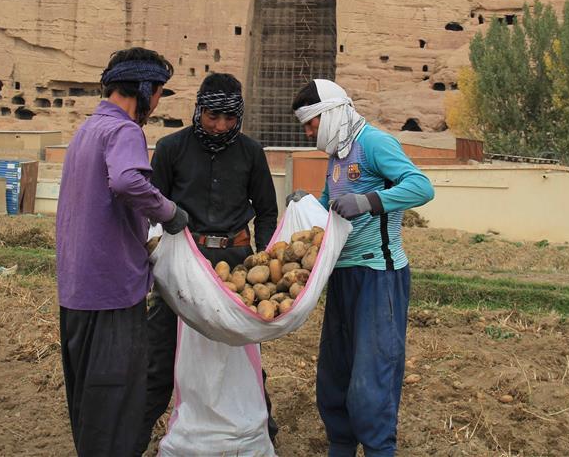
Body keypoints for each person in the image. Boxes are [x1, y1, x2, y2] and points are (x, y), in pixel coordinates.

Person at [288, 79, 434, 457]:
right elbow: (329, 204)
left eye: (311, 124)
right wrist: (306, 204)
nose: (308, 133)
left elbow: (421, 187)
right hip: (341, 274)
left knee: (372, 381)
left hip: (378, 274)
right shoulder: (337, 154)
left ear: (330, 114)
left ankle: (379, 448)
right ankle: (340, 445)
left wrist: (369, 201)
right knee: (335, 376)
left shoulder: (374, 143)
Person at [56, 47, 189, 456]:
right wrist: (168, 212)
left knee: (91, 407)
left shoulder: (87, 130)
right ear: (145, 90)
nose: (157, 103)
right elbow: (128, 181)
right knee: (116, 410)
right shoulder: (123, 131)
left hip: (77, 292)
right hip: (111, 291)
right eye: (159, 93)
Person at [142, 72, 280, 447]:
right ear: (199, 110)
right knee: (160, 354)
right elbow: (151, 209)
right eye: (212, 116)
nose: (220, 126)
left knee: (242, 353)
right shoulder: (171, 148)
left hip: (236, 268)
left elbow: (267, 211)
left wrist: (265, 259)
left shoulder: (251, 152)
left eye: (229, 118)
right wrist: (157, 258)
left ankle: (260, 432)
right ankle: (133, 438)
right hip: (181, 266)